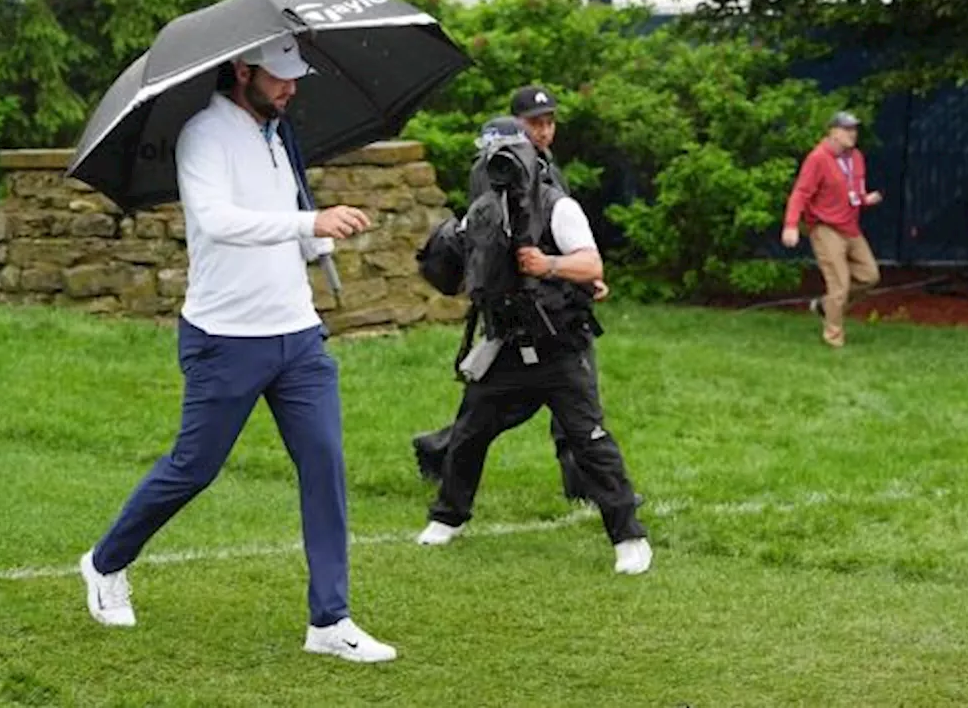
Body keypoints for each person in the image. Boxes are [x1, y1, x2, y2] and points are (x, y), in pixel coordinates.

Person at [78, 35, 397, 664]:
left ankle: (329, 620)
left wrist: (313, 242)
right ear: (242, 71)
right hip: (225, 340)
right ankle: (105, 561)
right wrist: (309, 223)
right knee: (194, 468)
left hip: (297, 336)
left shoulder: (280, 135)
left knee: (325, 465)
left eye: (293, 76)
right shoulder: (203, 134)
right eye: (278, 78)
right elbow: (219, 220)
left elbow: (280, 216)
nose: (290, 88)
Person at [416, 130, 652, 576]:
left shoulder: (559, 207)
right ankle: (447, 517)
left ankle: (628, 536)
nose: (504, 175)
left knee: (590, 439)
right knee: (469, 433)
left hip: (560, 345)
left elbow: (592, 264)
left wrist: (550, 266)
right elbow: (460, 272)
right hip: (506, 345)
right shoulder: (482, 212)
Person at [413, 87, 604, 502]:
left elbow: (557, 239)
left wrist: (582, 278)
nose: (545, 131)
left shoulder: (547, 169)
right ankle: (442, 454)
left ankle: (585, 483)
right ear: (516, 123)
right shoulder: (497, 173)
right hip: (526, 306)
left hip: (555, 301)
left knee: (536, 400)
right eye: (536, 123)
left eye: (550, 122)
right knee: (522, 401)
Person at [782, 111, 884, 348]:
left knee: (870, 275)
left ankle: (824, 306)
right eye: (847, 129)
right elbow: (801, 193)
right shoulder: (818, 158)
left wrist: (864, 199)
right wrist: (790, 225)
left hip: (850, 226)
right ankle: (833, 338)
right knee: (840, 284)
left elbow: (854, 187)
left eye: (855, 129)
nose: (853, 134)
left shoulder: (856, 157)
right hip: (825, 227)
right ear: (833, 132)